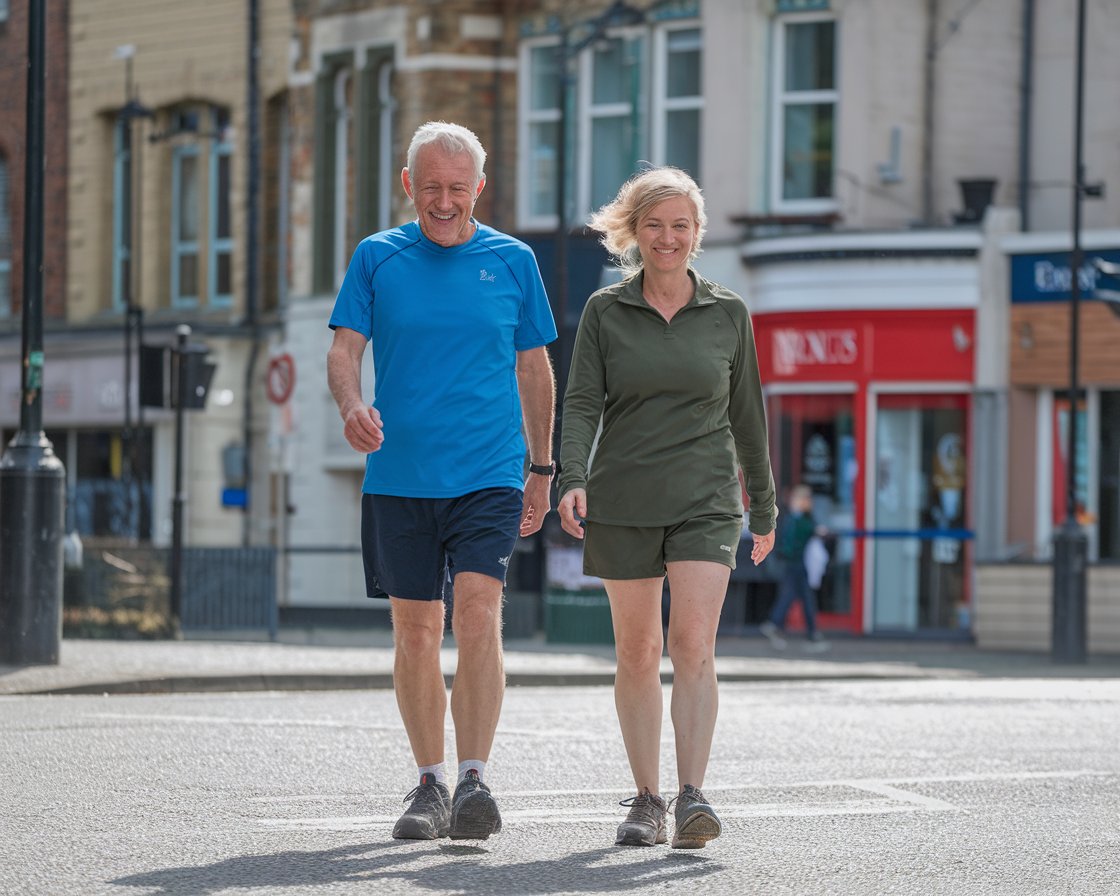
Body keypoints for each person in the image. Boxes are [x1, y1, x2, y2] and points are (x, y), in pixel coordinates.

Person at [327, 121, 557, 842]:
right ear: (409, 186)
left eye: (458, 188)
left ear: (480, 189)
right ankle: (428, 782)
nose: (445, 201)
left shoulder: (514, 261)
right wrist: (352, 404)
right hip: (400, 474)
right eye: (432, 187)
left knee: (480, 612)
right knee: (418, 631)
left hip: (489, 470)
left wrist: (542, 468)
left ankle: (475, 777)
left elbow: (534, 369)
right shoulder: (377, 258)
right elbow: (343, 350)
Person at [556, 167, 778, 849]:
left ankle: (692, 796)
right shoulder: (605, 311)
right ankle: (647, 799)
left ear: (697, 234)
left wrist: (763, 509)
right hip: (624, 496)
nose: (668, 237)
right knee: (637, 650)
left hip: (708, 500)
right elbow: (583, 399)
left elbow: (749, 417)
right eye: (654, 224)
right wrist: (572, 474)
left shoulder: (728, 313)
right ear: (634, 231)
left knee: (693, 647)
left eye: (680, 225)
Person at [759, 483, 830, 652]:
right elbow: (795, 540)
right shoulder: (797, 520)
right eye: (806, 498)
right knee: (798, 597)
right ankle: (784, 627)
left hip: (796, 564)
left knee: (798, 597)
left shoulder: (799, 517)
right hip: (795, 564)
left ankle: (780, 626)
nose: (809, 502)